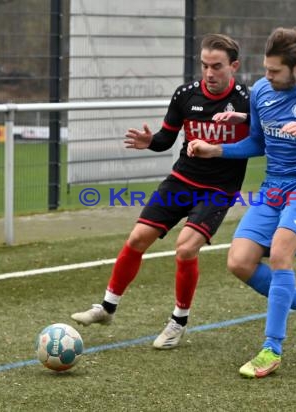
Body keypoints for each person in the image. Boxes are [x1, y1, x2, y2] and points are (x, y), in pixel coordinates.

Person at [188, 27, 296, 378]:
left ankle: (271, 349)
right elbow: (256, 143)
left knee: (280, 253)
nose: (267, 77)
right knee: (239, 262)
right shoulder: (262, 91)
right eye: (266, 69)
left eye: (275, 71)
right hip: (272, 187)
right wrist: (216, 150)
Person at [71, 34, 251, 349]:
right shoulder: (185, 95)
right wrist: (149, 141)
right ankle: (107, 308)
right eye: (205, 65)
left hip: (218, 189)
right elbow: (165, 139)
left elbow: (262, 139)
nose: (209, 72)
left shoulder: (248, 100)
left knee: (185, 249)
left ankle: (178, 321)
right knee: (138, 238)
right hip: (182, 180)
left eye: (217, 66)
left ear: (234, 66)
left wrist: (223, 143)